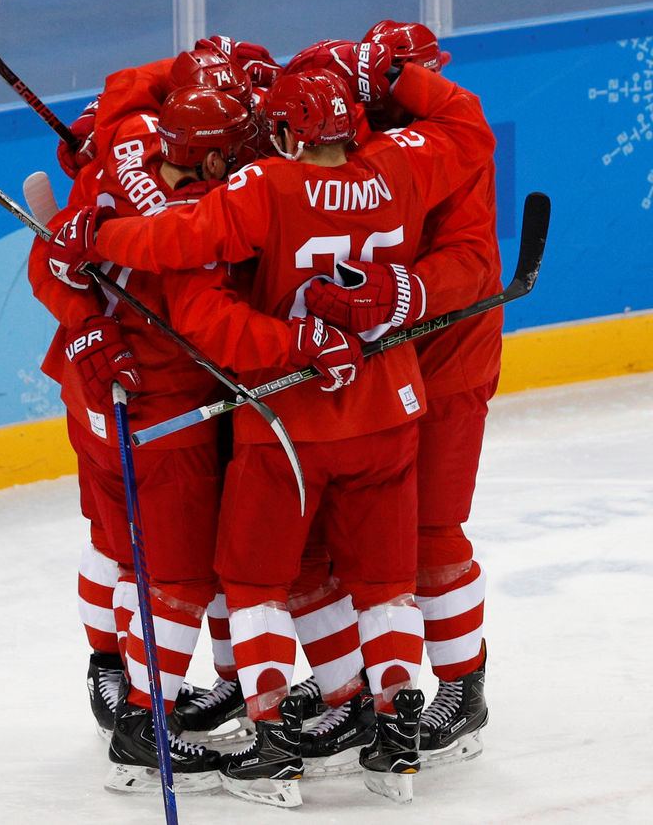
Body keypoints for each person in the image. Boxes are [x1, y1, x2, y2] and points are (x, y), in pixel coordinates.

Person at [47, 58, 494, 805]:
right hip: (386, 405)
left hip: (282, 416)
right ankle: (389, 726)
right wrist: (404, 81)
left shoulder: (261, 185)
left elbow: (180, 248)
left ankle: (265, 738)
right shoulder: (396, 168)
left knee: (246, 579)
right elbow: (466, 129)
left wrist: (97, 238)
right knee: (381, 578)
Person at [31, 59, 262, 792]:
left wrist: (83, 323)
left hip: (91, 386)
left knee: (116, 546)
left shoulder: (119, 147)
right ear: (220, 154)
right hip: (163, 411)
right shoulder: (208, 220)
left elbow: (50, 258)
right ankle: (140, 720)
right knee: (179, 574)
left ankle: (110, 673)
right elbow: (216, 321)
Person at [296, 20, 498, 765]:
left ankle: (461, 685)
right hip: (377, 368)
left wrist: (395, 292)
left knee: (429, 533)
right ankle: (356, 686)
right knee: (347, 539)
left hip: (447, 362)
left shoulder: (449, 147)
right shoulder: (362, 138)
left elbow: (474, 266)